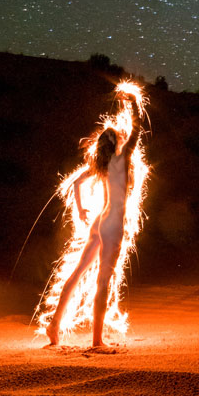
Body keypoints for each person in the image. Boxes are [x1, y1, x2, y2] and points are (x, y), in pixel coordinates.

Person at [45, 89, 142, 350]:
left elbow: (76, 182)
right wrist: (132, 101)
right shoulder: (122, 159)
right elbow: (137, 129)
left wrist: (80, 209)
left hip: (99, 220)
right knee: (103, 280)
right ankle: (97, 341)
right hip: (112, 224)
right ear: (116, 142)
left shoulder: (101, 163)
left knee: (78, 272)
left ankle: (54, 326)